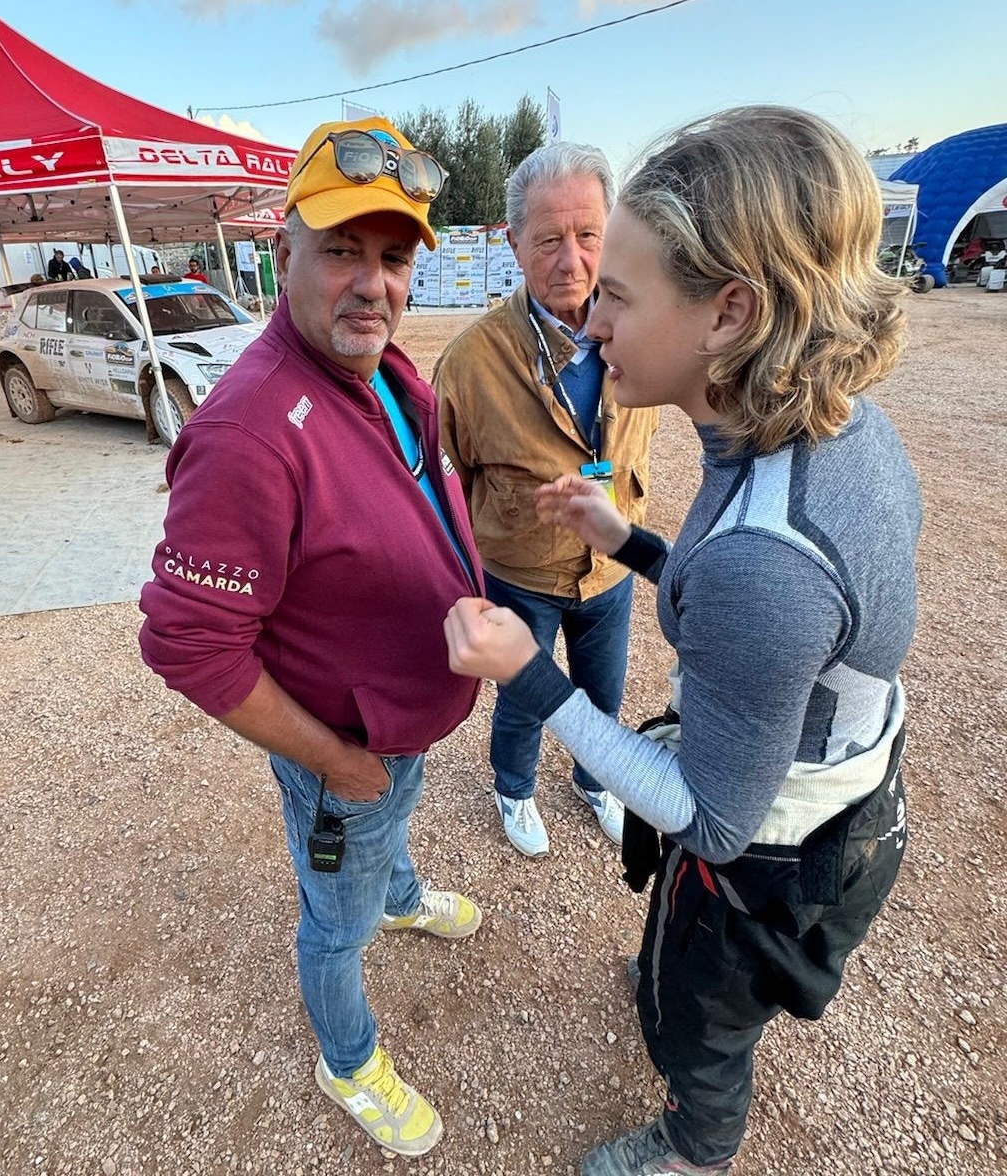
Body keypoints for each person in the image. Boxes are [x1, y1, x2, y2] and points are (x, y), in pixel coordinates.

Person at [444, 106, 921, 1176]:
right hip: (823, 775)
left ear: (728, 311)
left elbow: (709, 822)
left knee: (703, 1029)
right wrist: (636, 541)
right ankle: (670, 982)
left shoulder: (769, 558)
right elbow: (753, 590)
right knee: (679, 959)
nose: (592, 317)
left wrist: (530, 679)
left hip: (780, 850)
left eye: (616, 290)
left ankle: (694, 1148)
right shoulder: (825, 423)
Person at [138, 116, 482, 1159]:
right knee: (336, 919)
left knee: (391, 832)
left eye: (393, 256)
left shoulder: (374, 364)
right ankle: (348, 1061)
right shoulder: (249, 430)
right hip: (347, 750)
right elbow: (188, 647)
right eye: (341, 249)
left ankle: (405, 893)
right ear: (280, 250)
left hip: (402, 718)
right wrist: (337, 759)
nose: (372, 282)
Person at [433, 143, 658, 857]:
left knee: (603, 694)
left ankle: (597, 784)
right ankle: (514, 786)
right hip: (520, 571)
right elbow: (448, 478)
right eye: (548, 240)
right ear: (513, 245)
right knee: (526, 695)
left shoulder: (643, 331)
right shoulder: (472, 361)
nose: (572, 260)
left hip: (614, 568)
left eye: (588, 235)